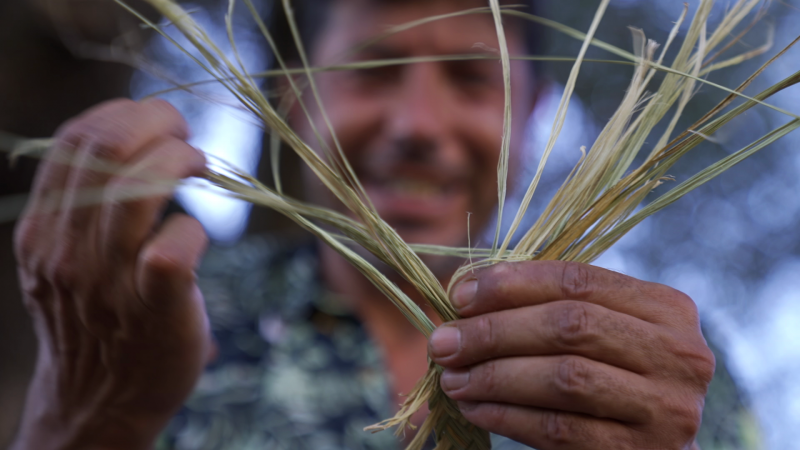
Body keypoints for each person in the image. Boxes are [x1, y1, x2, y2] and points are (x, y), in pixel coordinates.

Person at [9, 0, 744, 449]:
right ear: (295, 102)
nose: (418, 124)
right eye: (373, 69)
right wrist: (82, 426)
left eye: (468, 76)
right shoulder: (148, 322)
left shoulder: (659, 370)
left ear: (530, 112)